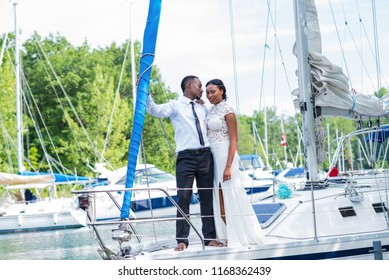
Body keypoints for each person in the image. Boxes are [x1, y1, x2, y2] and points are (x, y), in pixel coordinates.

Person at [147, 75, 222, 251]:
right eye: (199, 86)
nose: (202, 89)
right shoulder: (175, 106)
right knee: (183, 198)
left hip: (205, 156)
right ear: (189, 85)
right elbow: (155, 111)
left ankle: (209, 238)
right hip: (186, 157)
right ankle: (182, 240)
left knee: (207, 198)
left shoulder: (202, 108)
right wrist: (146, 93)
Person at [205, 78, 267, 247]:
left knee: (230, 195)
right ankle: (225, 234)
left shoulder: (228, 110)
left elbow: (234, 140)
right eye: (207, 92)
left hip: (226, 155)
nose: (209, 95)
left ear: (222, 91)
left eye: (213, 91)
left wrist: (228, 167)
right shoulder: (210, 111)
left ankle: (240, 235)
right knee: (218, 197)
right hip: (213, 156)